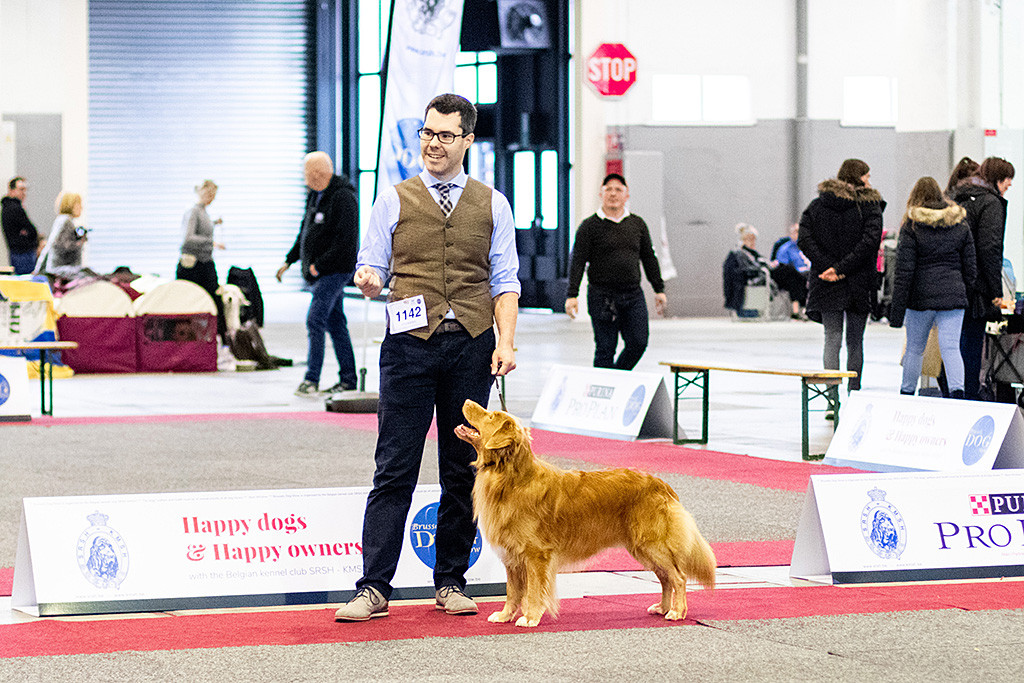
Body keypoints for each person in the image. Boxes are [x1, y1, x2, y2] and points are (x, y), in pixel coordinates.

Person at [335, 93, 520, 622]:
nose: (433, 144)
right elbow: (369, 268)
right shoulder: (391, 200)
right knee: (394, 467)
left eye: (444, 135)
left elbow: (505, 282)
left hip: (472, 341)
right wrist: (369, 280)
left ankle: (451, 580)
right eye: (427, 133)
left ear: (467, 140)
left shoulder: (493, 203)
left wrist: (505, 342)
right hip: (407, 348)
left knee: (462, 467)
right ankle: (373, 587)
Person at [276, 152, 359, 397]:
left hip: (335, 271)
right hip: (321, 272)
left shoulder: (343, 197)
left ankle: (311, 379)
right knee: (336, 324)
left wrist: (318, 266)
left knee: (315, 320)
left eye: (305, 172)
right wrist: (289, 260)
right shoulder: (315, 196)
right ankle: (348, 378)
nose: (303, 178)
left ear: (317, 173)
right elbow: (306, 230)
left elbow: (346, 242)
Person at [798, 158, 885, 392]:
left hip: (826, 281)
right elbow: (870, 243)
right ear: (857, 177)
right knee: (855, 341)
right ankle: (854, 394)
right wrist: (841, 268)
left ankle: (830, 397)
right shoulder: (869, 207)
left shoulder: (817, 205)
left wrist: (828, 267)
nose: (869, 181)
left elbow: (804, 239)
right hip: (858, 281)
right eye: (866, 176)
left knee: (832, 338)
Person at [565, 173, 666, 370]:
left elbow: (648, 257)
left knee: (638, 343)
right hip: (602, 297)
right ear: (600, 194)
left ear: (626, 195)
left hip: (632, 295)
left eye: (618, 189)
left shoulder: (637, 224)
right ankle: (604, 393)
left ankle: (618, 378)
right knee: (605, 348)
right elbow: (577, 262)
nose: (613, 194)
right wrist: (572, 295)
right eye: (608, 189)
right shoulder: (589, 226)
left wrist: (659, 289)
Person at [888, 177, 976, 399]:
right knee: (951, 349)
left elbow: (904, 271)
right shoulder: (959, 222)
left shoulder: (912, 225)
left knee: (915, 350)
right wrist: (965, 292)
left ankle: (907, 393)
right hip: (953, 297)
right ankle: (958, 395)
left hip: (920, 299)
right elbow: (970, 267)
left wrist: (896, 312)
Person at [950, 156, 1015, 400]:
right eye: (1008, 178)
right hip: (975, 285)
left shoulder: (958, 197)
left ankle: (955, 394)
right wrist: (996, 292)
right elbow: (990, 248)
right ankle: (969, 396)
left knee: (953, 342)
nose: (1010, 184)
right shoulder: (990, 203)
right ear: (999, 178)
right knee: (973, 343)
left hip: (953, 280)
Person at [723, 223, 807, 319]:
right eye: (749, 239)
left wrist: (768, 264)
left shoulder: (751, 252)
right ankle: (802, 305)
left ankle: (800, 307)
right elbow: (746, 269)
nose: (753, 242)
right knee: (788, 270)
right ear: (743, 240)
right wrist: (766, 266)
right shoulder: (739, 253)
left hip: (765, 274)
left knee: (793, 277)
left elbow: (759, 261)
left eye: (753, 239)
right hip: (759, 276)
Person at [177, 180, 226, 341]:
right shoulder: (193, 211)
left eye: (214, 195)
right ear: (202, 192)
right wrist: (210, 242)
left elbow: (202, 228)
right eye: (210, 194)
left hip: (205, 262)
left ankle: (216, 338)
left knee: (214, 301)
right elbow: (187, 238)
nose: (212, 198)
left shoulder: (204, 212)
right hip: (194, 266)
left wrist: (214, 224)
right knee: (196, 303)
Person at [36, 191, 88, 280]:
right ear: (71, 204)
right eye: (78, 204)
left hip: (59, 268)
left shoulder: (63, 220)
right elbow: (59, 245)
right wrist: (80, 241)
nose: (81, 207)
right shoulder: (65, 221)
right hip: (60, 269)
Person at [1, 177, 41, 275]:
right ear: (12, 190)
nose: (24, 193)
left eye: (25, 190)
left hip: (17, 253)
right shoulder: (14, 208)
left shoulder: (7, 207)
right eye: (21, 189)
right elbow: (30, 230)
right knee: (27, 282)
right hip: (23, 254)